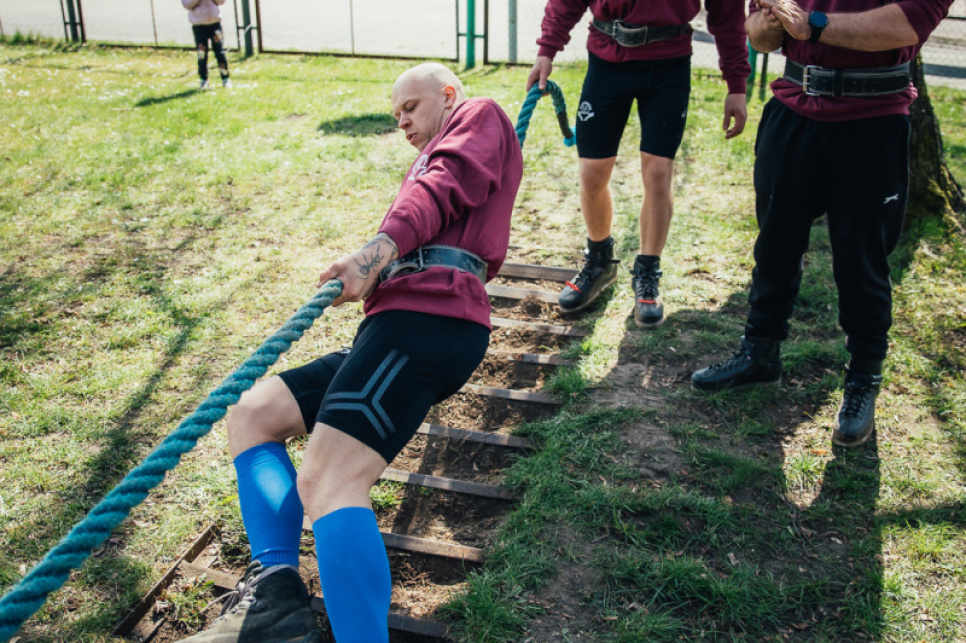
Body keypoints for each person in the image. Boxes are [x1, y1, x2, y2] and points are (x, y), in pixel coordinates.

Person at [179, 63, 523, 642]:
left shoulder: (478, 116)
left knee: (329, 479)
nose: (402, 122)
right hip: (394, 325)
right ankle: (275, 597)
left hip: (429, 322)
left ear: (448, 95)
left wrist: (374, 254)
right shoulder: (435, 152)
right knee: (253, 415)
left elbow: (441, 187)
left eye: (411, 107)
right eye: (395, 115)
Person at [692, 0, 953, 447]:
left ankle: (863, 379)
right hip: (792, 110)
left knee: (861, 260)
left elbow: (909, 24)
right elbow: (759, 34)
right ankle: (760, 352)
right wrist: (769, 24)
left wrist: (811, 25)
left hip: (872, 120)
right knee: (774, 246)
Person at [528, 0, 749, 327]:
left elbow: (726, 12)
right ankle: (600, 262)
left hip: (669, 63)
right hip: (607, 59)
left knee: (659, 173)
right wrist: (547, 50)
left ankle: (647, 272)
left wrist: (736, 83)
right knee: (592, 173)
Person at [182, 0, 232, 89]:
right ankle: (203, 80)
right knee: (202, 54)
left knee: (220, 52)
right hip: (199, 25)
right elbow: (186, 5)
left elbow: (221, 1)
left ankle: (225, 78)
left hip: (215, 24)